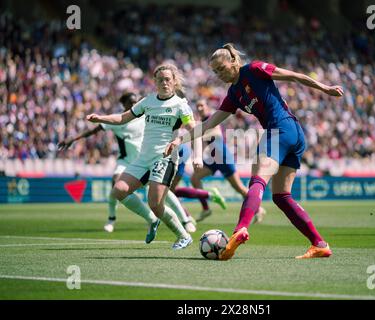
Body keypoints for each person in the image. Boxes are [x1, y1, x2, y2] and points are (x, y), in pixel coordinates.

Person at [165, 43, 343, 260]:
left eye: (221, 68)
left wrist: (325, 88)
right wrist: (179, 139)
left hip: (282, 129)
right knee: (281, 196)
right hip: (292, 134)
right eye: (215, 71)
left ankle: (240, 229)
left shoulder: (254, 69)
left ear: (233, 62)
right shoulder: (233, 94)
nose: (219, 74)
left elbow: (293, 76)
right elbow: (209, 123)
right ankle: (319, 244)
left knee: (257, 181)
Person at [87, 63, 202, 249]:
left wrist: (198, 156)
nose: (164, 83)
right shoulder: (147, 101)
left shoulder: (180, 105)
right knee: (119, 190)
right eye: (161, 79)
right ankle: (152, 220)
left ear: (174, 82)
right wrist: (100, 117)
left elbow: (195, 130)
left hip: (165, 159)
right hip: (143, 159)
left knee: (156, 204)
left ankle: (183, 235)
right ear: (155, 82)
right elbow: (123, 118)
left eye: (168, 79)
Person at [58, 93, 197, 234]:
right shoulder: (120, 120)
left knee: (162, 194)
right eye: (130, 102)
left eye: (135, 102)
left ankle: (185, 220)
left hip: (147, 159)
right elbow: (94, 130)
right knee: (116, 186)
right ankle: (112, 219)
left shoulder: (146, 115)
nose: (133, 104)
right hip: (126, 161)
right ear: (123, 105)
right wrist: (74, 139)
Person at [175, 98, 266, 223]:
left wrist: (195, 136)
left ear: (207, 107)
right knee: (194, 178)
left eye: (202, 105)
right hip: (212, 160)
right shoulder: (201, 122)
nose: (200, 108)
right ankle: (206, 208)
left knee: (239, 188)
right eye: (198, 106)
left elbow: (214, 134)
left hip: (223, 158)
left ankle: (258, 208)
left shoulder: (212, 118)